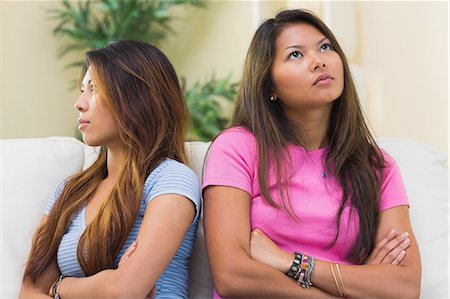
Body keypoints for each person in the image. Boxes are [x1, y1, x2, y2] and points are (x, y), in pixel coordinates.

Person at [202, 9, 421, 298]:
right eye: (295, 54)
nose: (319, 61)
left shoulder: (376, 166)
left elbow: (404, 287)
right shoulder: (237, 148)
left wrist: (291, 263)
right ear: (269, 86)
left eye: (325, 47)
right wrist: (352, 286)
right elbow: (232, 276)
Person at [19, 40, 201, 299]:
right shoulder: (69, 191)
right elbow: (28, 291)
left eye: (94, 89)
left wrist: (60, 287)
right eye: (82, 89)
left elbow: (125, 290)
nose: (80, 103)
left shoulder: (171, 179)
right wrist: (105, 282)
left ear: (137, 98)